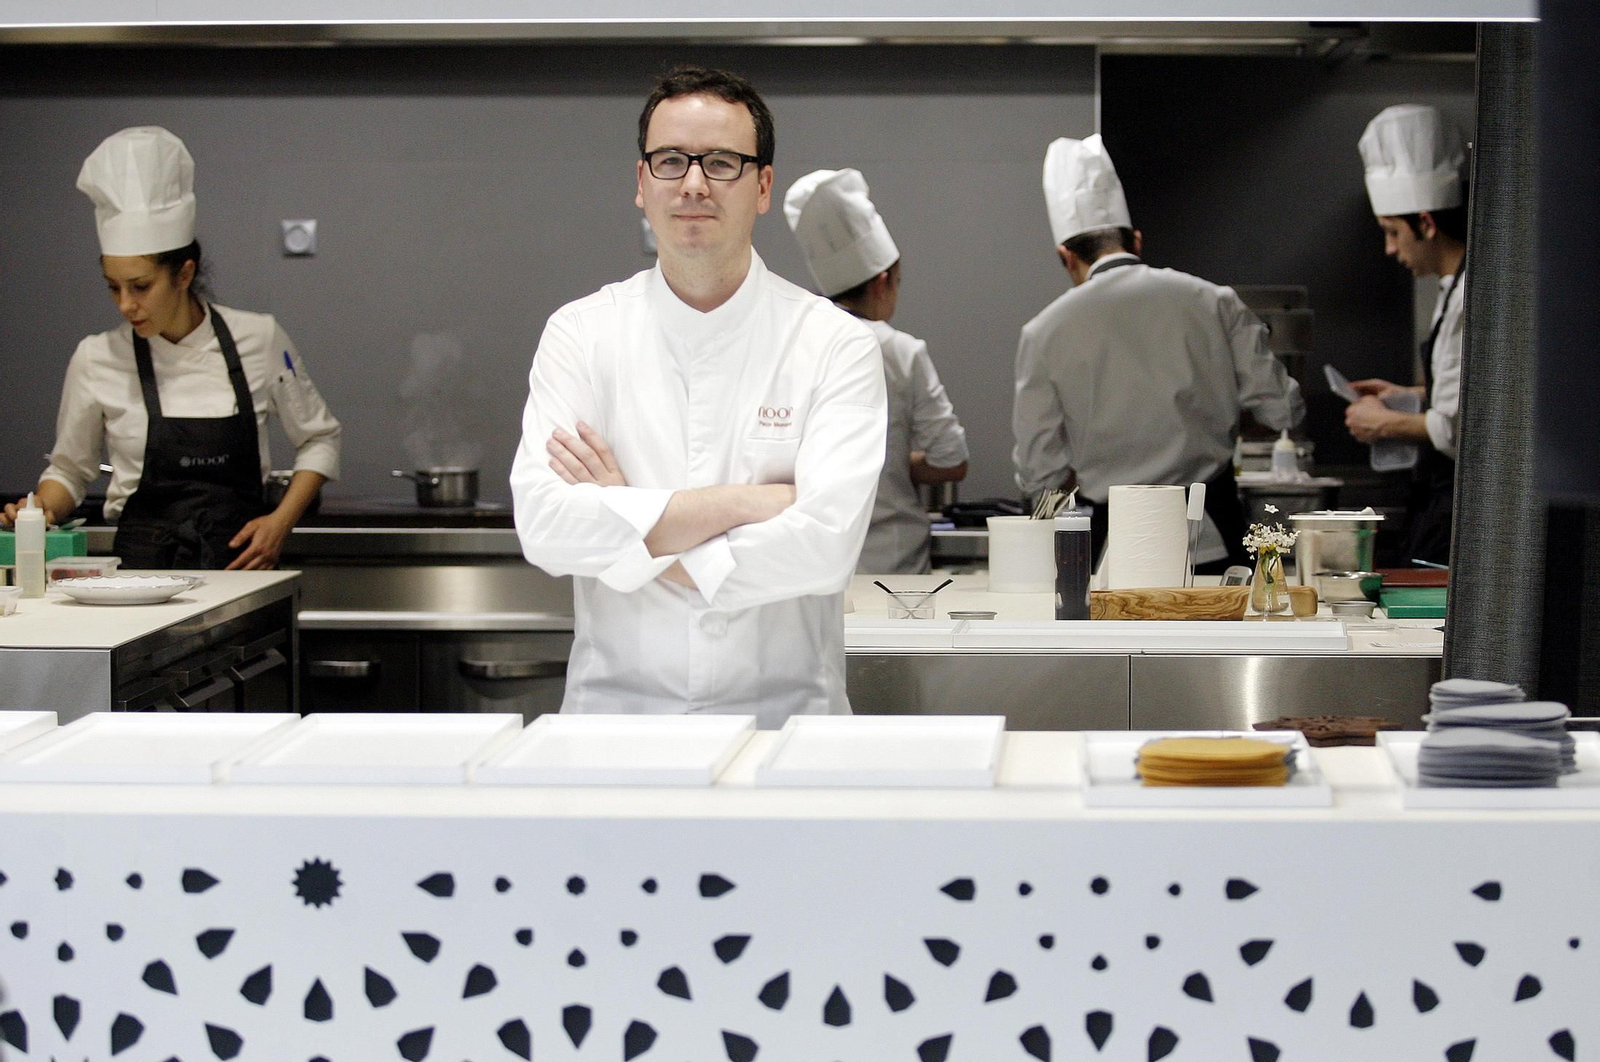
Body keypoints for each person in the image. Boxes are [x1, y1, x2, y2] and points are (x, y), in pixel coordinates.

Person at [508, 67, 886, 726]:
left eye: (721, 163)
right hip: (615, 728)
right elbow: (546, 527)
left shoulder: (834, 343)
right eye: (670, 161)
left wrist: (630, 519)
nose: (692, 184)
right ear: (641, 182)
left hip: (785, 727)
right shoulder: (581, 333)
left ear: (762, 186)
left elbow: (824, 549)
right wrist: (745, 504)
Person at [1, 126, 340, 570]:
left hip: (241, 573)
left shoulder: (259, 338)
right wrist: (40, 510)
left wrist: (280, 522)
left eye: (140, 286)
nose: (125, 305)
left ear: (184, 274)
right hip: (139, 576)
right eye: (113, 287)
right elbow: (70, 470)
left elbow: (319, 438)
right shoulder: (96, 357)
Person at [1012, 133, 1304, 571]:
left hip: (1111, 543)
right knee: (1221, 615)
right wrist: (1222, 413)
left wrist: (1044, 536)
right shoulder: (1214, 301)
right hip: (1213, 527)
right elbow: (1283, 410)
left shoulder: (1044, 331)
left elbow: (1040, 472)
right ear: (1136, 241)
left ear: (1065, 257)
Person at [783, 167, 968, 574]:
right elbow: (951, 460)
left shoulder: (788, 345)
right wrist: (894, 460)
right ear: (883, 281)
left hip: (810, 561)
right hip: (893, 561)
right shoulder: (900, 351)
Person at [1345, 104, 1469, 566]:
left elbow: (1461, 429)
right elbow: (1462, 392)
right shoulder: (1450, 288)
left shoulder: (1470, 296)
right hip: (1438, 500)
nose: (1390, 248)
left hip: (1456, 503)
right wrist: (1409, 395)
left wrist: (1384, 422)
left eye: (1393, 232)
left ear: (1426, 223)